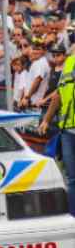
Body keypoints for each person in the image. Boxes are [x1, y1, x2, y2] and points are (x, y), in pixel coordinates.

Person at [39, 47, 75, 216]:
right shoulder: (68, 64)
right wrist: (46, 120)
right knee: (71, 178)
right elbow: (58, 95)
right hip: (68, 131)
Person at [20, 41, 50, 109]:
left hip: (35, 103)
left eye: (38, 49)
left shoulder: (41, 62)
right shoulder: (37, 62)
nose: (35, 51)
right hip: (31, 101)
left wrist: (27, 97)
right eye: (34, 49)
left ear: (44, 51)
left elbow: (37, 81)